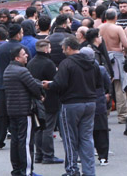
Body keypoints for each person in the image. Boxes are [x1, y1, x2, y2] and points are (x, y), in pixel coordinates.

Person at [42, 36, 101, 176]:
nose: (63, 51)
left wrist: (49, 85)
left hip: (71, 103)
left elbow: (60, 84)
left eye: (63, 49)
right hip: (90, 102)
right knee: (86, 138)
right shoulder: (92, 63)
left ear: (68, 48)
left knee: (70, 138)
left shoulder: (66, 63)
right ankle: (89, 171)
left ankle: (72, 169)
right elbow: (99, 84)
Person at [4, 45, 43, 176]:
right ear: (16, 57)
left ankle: (16, 169)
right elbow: (34, 88)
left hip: (12, 110)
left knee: (15, 141)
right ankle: (27, 171)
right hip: (24, 110)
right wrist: (41, 94)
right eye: (23, 54)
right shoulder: (22, 71)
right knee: (25, 142)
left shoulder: (8, 70)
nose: (26, 55)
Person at [26, 39, 64, 165]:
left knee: (39, 127)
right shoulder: (49, 63)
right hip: (49, 98)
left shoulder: (31, 63)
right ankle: (48, 155)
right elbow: (55, 82)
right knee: (48, 128)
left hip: (36, 98)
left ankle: (39, 155)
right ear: (47, 49)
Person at [99, 8, 127, 124]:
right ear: (116, 17)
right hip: (116, 56)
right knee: (119, 86)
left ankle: (104, 114)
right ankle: (122, 115)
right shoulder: (118, 28)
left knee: (104, 87)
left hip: (103, 57)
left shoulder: (99, 28)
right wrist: (124, 51)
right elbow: (126, 44)